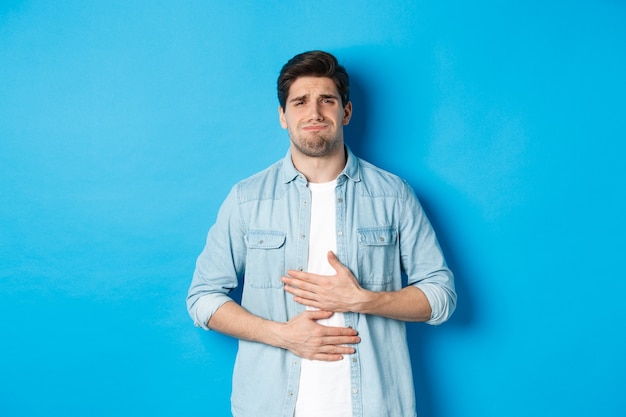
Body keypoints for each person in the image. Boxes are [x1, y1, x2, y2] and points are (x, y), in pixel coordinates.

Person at [187, 50, 456, 417]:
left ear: (345, 111)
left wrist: (363, 300)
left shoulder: (393, 195)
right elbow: (202, 299)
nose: (313, 113)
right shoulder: (248, 199)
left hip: (375, 406)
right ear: (283, 116)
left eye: (326, 100)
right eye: (300, 102)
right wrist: (282, 335)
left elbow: (440, 296)